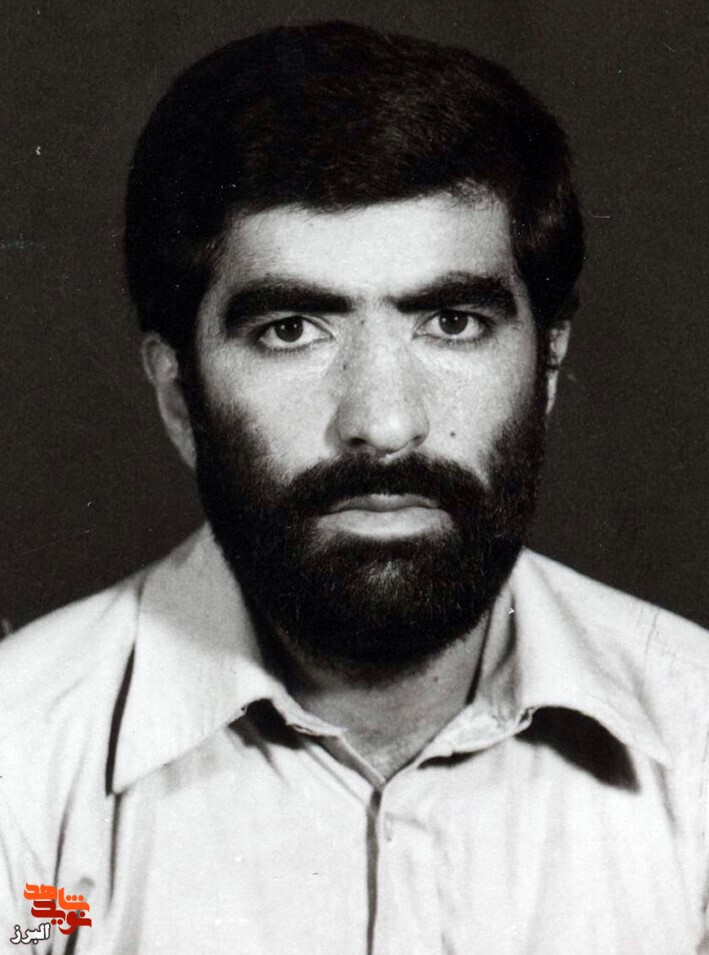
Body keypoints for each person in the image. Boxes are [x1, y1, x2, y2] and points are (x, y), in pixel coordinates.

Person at [1, 20, 707, 954]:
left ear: (545, 366)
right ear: (179, 396)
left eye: (451, 322)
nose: (382, 422)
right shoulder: (19, 763)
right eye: (292, 329)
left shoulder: (697, 739)